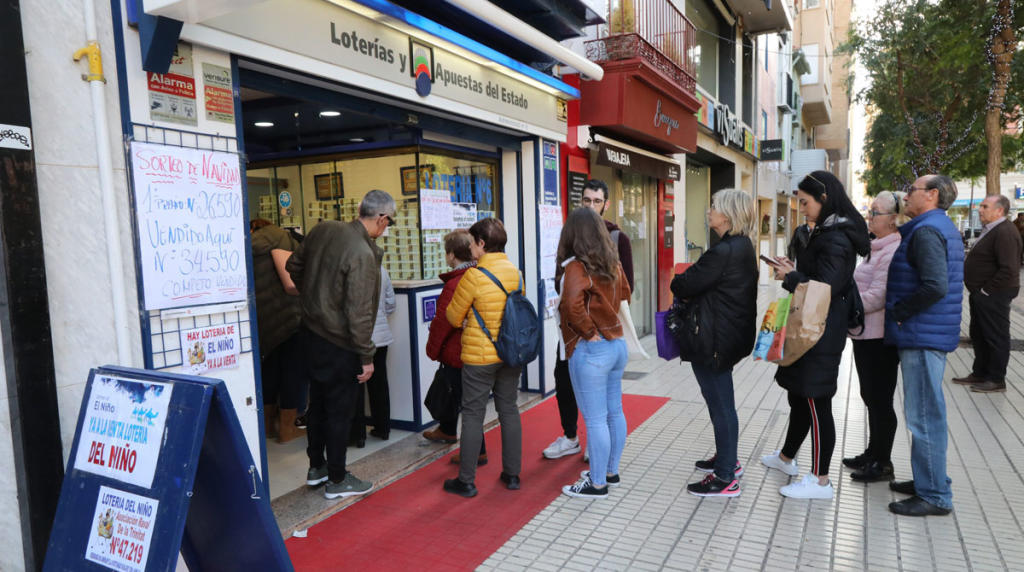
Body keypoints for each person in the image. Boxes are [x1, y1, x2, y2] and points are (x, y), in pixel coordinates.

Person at [761, 171, 870, 500]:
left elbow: (825, 287)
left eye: (805, 202)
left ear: (823, 199)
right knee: (799, 396)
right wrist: (793, 269)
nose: (802, 208)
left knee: (815, 400)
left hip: (821, 331)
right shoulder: (825, 231)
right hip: (809, 327)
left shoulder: (837, 238)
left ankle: (821, 480)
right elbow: (817, 278)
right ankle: (786, 458)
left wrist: (791, 275)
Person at [286, 190, 396, 500]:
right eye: (388, 223)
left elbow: (294, 266)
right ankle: (337, 478)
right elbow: (359, 312)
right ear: (382, 219)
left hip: (310, 334)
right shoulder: (362, 253)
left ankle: (316, 468)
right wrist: (366, 355)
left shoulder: (324, 229)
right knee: (339, 411)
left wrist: (314, 296)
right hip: (340, 343)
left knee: (317, 405)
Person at [670, 189, 758, 498]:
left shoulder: (723, 252)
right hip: (729, 337)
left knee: (720, 405)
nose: (709, 211)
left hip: (715, 340)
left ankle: (725, 477)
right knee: (723, 404)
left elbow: (682, 283)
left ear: (727, 215)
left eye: (714, 207)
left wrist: (684, 278)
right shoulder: (742, 247)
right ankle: (727, 460)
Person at [884, 174, 963, 517]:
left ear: (931, 195)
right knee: (925, 413)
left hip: (922, 334)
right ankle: (928, 480)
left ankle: (933, 495)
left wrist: (900, 313)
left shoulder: (927, 231)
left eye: (912, 190)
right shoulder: (933, 226)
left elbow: (934, 286)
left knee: (925, 416)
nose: (906, 195)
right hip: (925, 332)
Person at [543, 179, 634, 461]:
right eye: (586, 200)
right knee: (566, 384)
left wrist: (594, 329)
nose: (591, 206)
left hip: (596, 337)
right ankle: (574, 439)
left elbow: (625, 291)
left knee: (600, 409)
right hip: (573, 336)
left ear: (606, 204)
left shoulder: (618, 240)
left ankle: (599, 460)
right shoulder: (572, 241)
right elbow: (564, 284)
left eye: (596, 201)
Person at [442, 218, 524, 497]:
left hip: (479, 357)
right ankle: (512, 475)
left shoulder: (474, 277)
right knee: (509, 410)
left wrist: (467, 320)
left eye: (473, 242)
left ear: (482, 244)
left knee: (474, 415)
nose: (471, 248)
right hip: (510, 353)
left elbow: (453, 317)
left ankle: (466, 481)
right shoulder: (515, 272)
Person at [556, 208, 631, 499]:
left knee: (596, 419)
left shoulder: (576, 267)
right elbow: (625, 292)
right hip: (616, 345)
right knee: (615, 412)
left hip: (592, 348)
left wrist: (588, 331)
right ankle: (610, 472)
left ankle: (596, 483)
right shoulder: (612, 262)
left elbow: (570, 306)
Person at [842, 191, 905, 482]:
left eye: (875, 213)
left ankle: (883, 462)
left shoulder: (892, 250)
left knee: (880, 399)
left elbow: (879, 295)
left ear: (893, 220)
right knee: (870, 396)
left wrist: (846, 308)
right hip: (864, 334)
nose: (870, 216)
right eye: (870, 211)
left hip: (879, 338)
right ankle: (873, 452)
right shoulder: (875, 246)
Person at [424, 229, 487, 466]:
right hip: (472, 349)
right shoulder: (478, 274)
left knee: (464, 400)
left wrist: (432, 350)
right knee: (453, 391)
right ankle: (448, 429)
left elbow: (443, 322)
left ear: (451, 255)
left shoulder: (456, 282)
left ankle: (477, 450)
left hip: (459, 351)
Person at [953, 194, 1022, 393]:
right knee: (980, 334)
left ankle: (996, 378)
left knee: (995, 336)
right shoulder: (992, 229)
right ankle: (980, 372)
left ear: (999, 210)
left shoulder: (1005, 232)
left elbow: (1009, 268)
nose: (980, 210)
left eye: (984, 206)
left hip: (994, 294)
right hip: (982, 294)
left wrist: (985, 291)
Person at [250, 219, 305, 443]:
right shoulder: (280, 238)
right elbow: (290, 284)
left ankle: (266, 427)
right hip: (288, 317)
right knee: (292, 373)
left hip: (263, 319)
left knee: (269, 372)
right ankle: (286, 430)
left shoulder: (248, 245)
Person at [351, 266, 396, 446]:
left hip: (358, 338)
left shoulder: (350, 269)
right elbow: (391, 303)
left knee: (356, 385)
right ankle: (383, 428)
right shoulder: (382, 270)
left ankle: (358, 435)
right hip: (381, 337)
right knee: (380, 384)